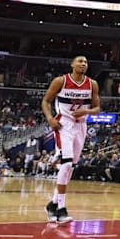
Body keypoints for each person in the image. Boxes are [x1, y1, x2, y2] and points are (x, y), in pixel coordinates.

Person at [42, 55, 101, 224]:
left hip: (81, 125)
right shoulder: (60, 81)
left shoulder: (92, 84)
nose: (83, 64)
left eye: (86, 62)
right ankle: (61, 208)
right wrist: (50, 119)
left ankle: (52, 205)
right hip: (64, 124)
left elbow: (97, 108)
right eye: (80, 61)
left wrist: (86, 112)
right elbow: (46, 101)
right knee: (66, 163)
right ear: (72, 64)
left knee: (71, 167)